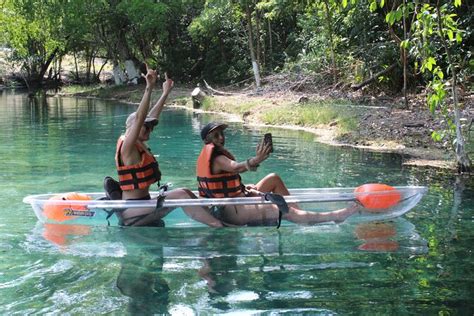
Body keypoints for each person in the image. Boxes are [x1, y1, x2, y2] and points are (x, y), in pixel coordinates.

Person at [111, 65, 223, 227]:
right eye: (145, 127)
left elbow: (150, 117)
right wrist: (148, 88)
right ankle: (219, 226)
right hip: (133, 212)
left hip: (143, 206)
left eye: (151, 127)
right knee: (181, 195)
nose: (149, 129)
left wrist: (165, 92)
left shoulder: (138, 143)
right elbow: (142, 117)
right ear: (133, 128)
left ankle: (215, 216)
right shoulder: (127, 147)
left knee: (185, 192)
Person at [196, 122, 359, 226]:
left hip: (238, 198)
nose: (221, 138)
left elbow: (229, 181)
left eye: (221, 134)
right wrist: (256, 159)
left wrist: (245, 188)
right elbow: (237, 167)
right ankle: (334, 216)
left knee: (273, 178)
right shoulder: (217, 158)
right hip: (229, 211)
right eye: (216, 135)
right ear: (206, 141)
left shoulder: (217, 155)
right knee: (278, 209)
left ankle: (300, 217)